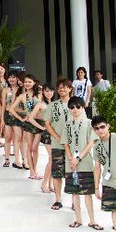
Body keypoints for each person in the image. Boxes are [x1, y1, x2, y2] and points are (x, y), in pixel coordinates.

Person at [60, 96, 100, 230]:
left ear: (83, 108)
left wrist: (78, 158)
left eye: (78, 107)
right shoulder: (67, 124)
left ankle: (92, 221)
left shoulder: (89, 123)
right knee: (74, 193)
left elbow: (91, 142)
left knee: (87, 193)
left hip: (85, 163)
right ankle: (78, 219)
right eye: (72, 107)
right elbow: (65, 143)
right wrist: (71, 159)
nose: (75, 109)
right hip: (71, 164)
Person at [44, 78, 73, 211]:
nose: (62, 89)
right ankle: (58, 199)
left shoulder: (76, 104)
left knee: (72, 173)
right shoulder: (53, 105)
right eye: (60, 87)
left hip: (73, 146)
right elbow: (47, 123)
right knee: (57, 173)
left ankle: (74, 200)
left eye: (65, 87)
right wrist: (57, 137)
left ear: (70, 89)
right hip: (57, 144)